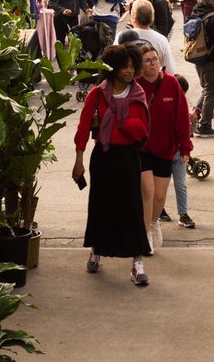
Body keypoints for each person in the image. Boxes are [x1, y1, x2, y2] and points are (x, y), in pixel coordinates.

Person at [72, 43, 151, 285]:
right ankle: (96, 252)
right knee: (101, 204)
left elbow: (142, 130)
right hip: (103, 157)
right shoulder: (97, 94)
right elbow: (84, 127)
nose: (130, 71)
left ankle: (137, 262)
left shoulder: (138, 94)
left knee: (132, 207)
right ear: (113, 68)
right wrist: (78, 161)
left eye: (132, 67)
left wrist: (121, 122)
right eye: (124, 67)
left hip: (128, 157)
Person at [137, 44, 193, 253]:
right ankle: (145, 235)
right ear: (140, 66)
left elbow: (181, 117)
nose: (153, 63)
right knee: (147, 191)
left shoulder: (171, 83)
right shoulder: (135, 85)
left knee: (160, 196)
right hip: (141, 148)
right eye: (148, 60)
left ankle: (153, 222)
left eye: (155, 59)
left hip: (165, 148)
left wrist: (185, 146)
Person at [162, 73, 197, 230]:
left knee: (181, 184)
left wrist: (193, 122)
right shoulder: (163, 104)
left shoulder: (185, 105)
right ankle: (158, 211)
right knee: (160, 186)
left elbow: (189, 133)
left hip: (179, 152)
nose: (181, 96)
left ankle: (183, 214)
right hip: (163, 152)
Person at [190, 0, 214, 137]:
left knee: (206, 89)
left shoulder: (196, 12)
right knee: (211, 92)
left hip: (198, 57)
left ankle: (192, 118)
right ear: (211, 0)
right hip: (211, 60)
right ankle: (205, 125)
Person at [120, 0, 176, 72]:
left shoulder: (121, 36)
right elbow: (170, 69)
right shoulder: (161, 39)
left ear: (133, 17)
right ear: (152, 17)